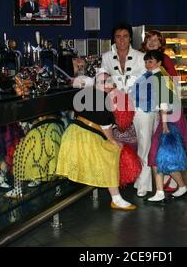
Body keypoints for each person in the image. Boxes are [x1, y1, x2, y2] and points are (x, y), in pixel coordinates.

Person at [55, 72, 136, 210]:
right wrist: (112, 140)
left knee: (109, 154)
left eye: (108, 81)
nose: (105, 85)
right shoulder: (98, 97)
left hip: (77, 133)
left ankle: (115, 197)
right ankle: (116, 198)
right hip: (84, 135)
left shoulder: (94, 95)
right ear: (95, 84)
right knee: (111, 153)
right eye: (101, 82)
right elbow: (105, 124)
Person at [101, 23, 153, 198]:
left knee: (144, 141)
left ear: (130, 38)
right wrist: (107, 84)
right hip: (117, 106)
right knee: (111, 142)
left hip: (140, 105)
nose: (121, 40)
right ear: (113, 39)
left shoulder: (141, 57)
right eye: (118, 36)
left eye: (125, 36)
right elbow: (101, 76)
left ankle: (143, 182)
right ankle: (116, 177)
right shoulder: (107, 57)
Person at [140, 30, 187, 193]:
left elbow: (169, 88)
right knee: (160, 148)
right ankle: (170, 185)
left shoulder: (163, 62)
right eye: (150, 39)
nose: (153, 42)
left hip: (167, 112)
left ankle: (171, 184)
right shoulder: (147, 61)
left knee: (163, 148)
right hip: (158, 110)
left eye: (156, 40)